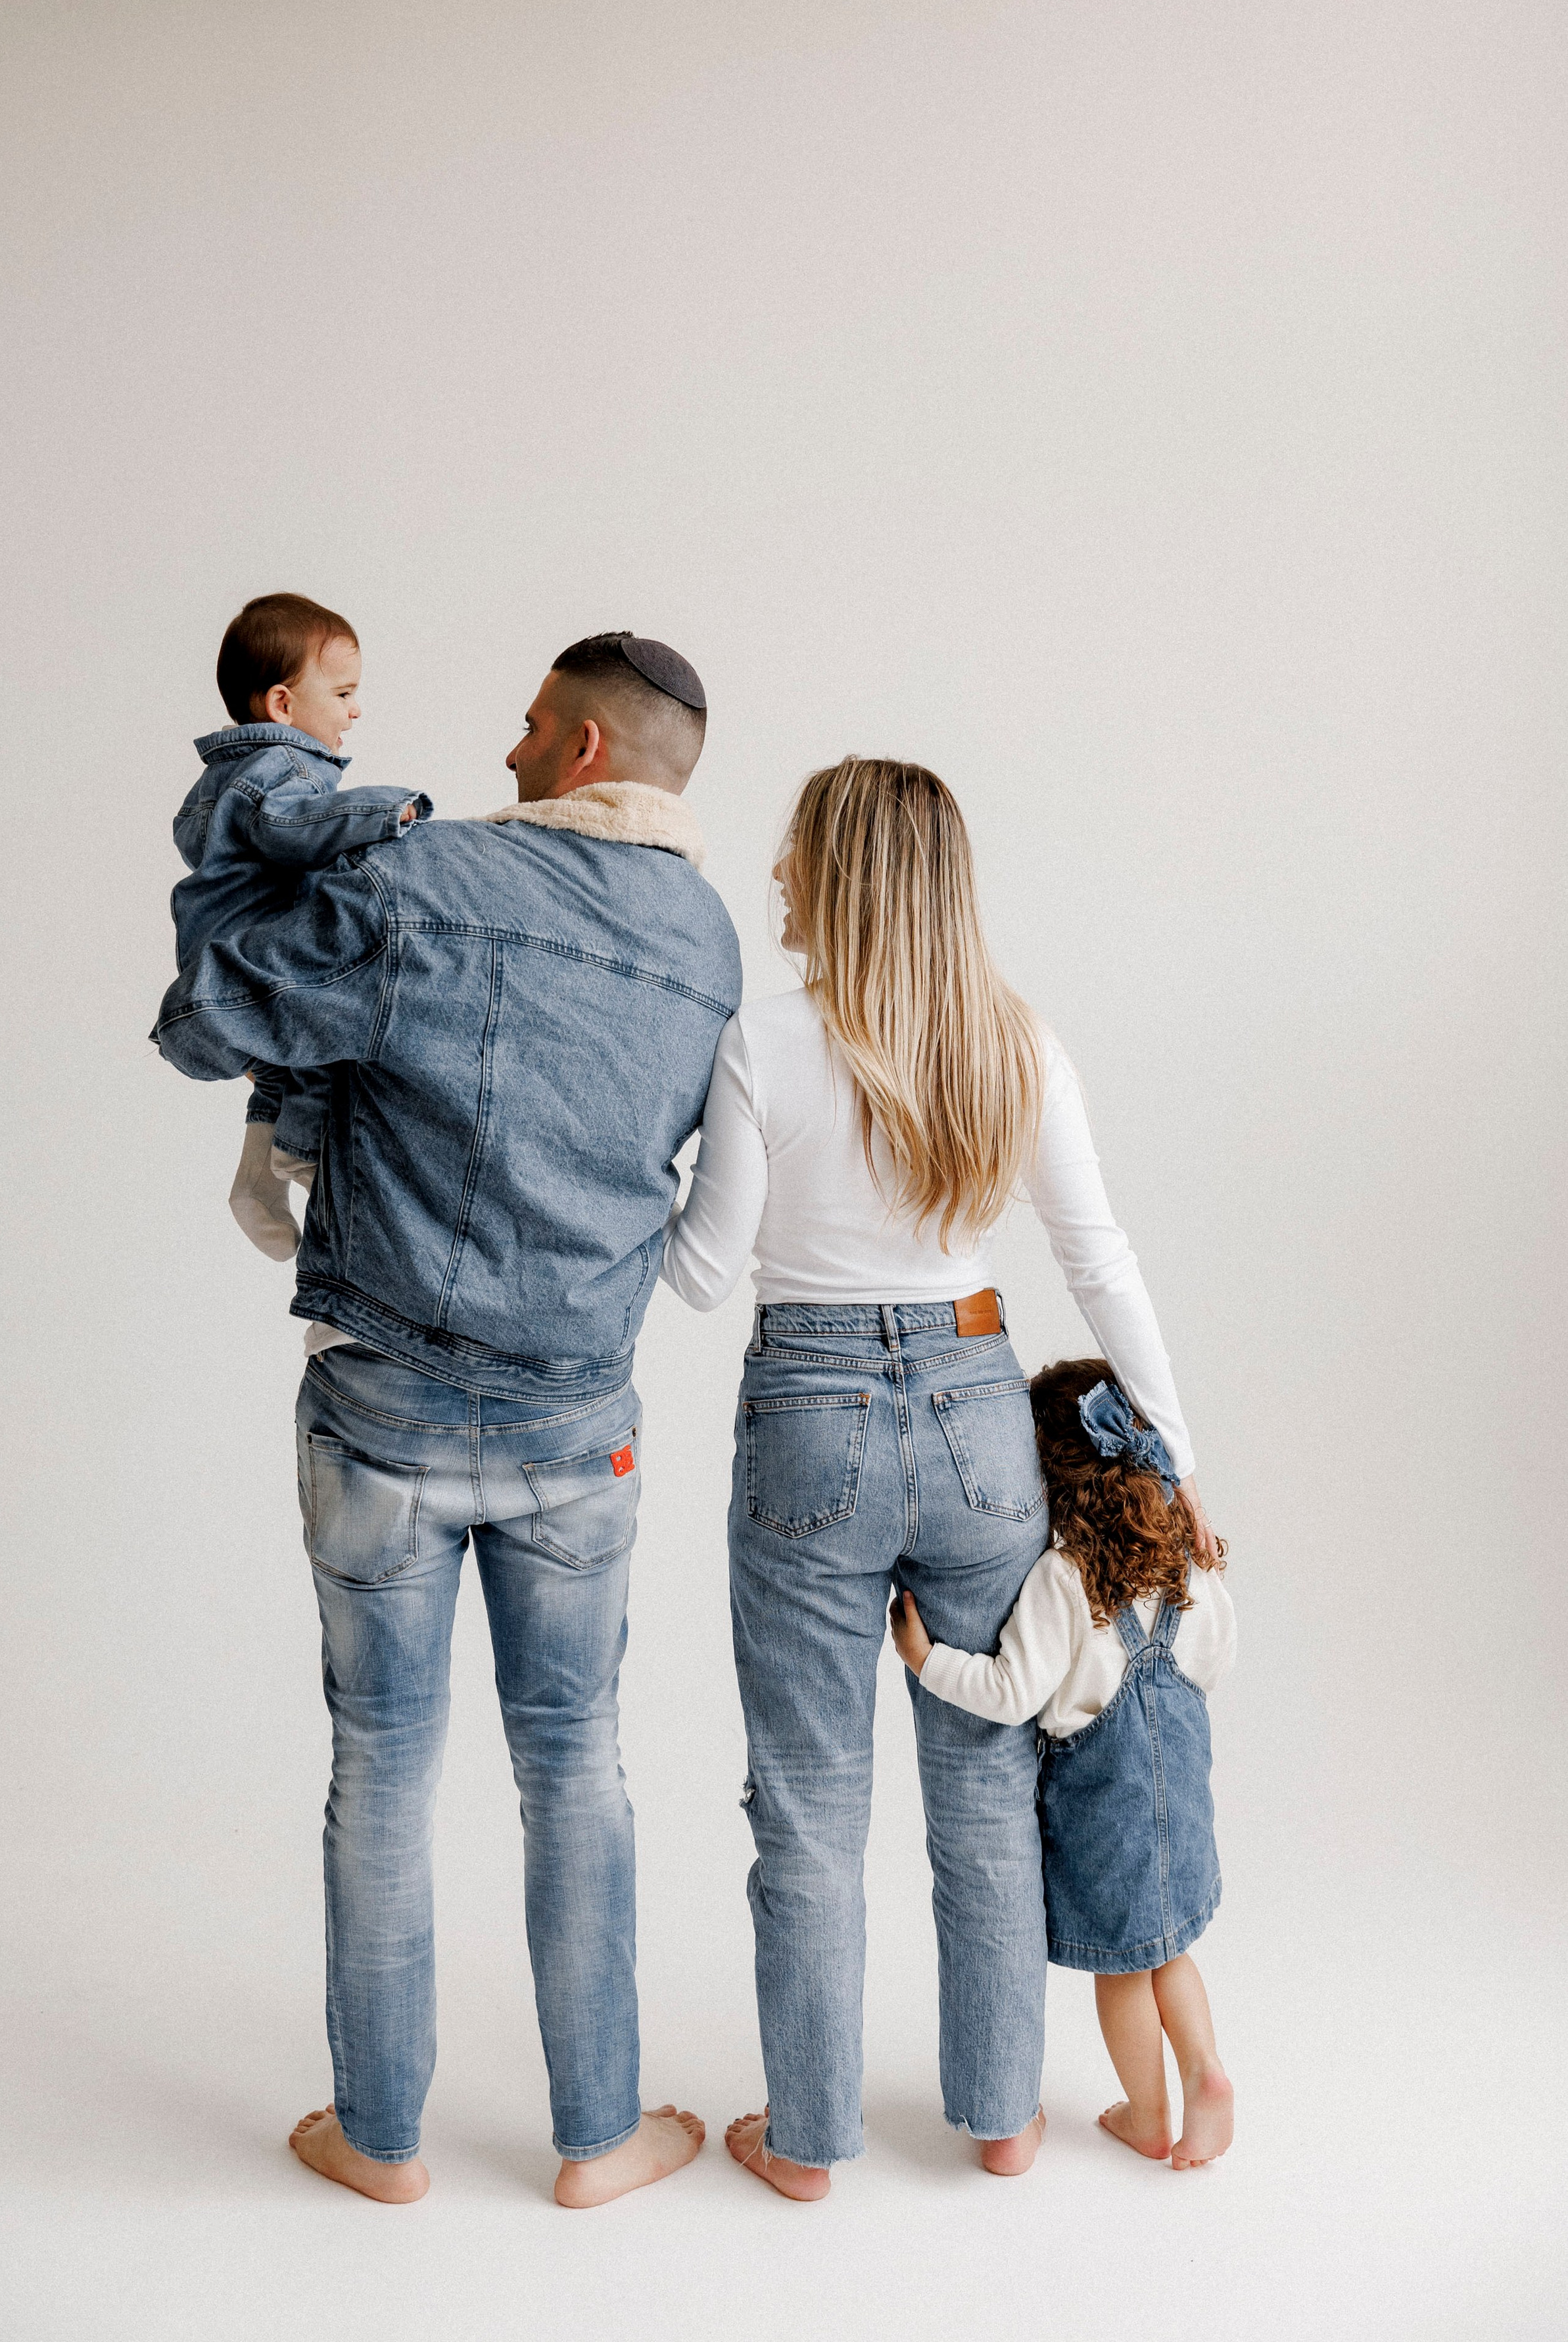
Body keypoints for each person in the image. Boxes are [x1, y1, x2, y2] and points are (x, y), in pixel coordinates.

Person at [153, 632, 742, 2208]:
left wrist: (261, 841)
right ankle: (599, 2133)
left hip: (382, 1403)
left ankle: (382, 2137)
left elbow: (217, 1013)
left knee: (383, 1772)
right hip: (579, 1424)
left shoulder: (435, 877)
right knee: (579, 1767)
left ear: (572, 746)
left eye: (528, 723)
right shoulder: (708, 942)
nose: (502, 747)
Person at [661, 755, 1215, 2200]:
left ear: (838, 877)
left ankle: (804, 2142)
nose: (776, 876)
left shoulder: (758, 1040)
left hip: (807, 1411)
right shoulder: (1012, 1042)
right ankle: (1002, 2120)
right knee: (981, 1783)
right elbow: (1096, 1257)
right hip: (978, 1413)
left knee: (806, 1798)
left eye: (792, 857)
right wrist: (1177, 1454)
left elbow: (706, 1275)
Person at [890, 1356, 1235, 2169]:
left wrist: (926, 1658)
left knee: (1120, 1970)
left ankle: (1148, 2114)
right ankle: (1206, 2070)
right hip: (1182, 1795)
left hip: (1102, 1817)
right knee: (1169, 1952)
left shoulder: (1061, 1578)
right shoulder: (1185, 1552)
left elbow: (1011, 1691)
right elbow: (1216, 1655)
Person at [170, 592, 428, 1258]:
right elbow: (296, 827)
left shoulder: (228, 775)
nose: (356, 709)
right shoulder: (283, 770)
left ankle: (256, 1178)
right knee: (327, 1038)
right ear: (283, 705)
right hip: (259, 951)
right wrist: (384, 814)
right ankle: (301, 1155)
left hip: (225, 953)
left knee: (285, 1068)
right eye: (343, 692)